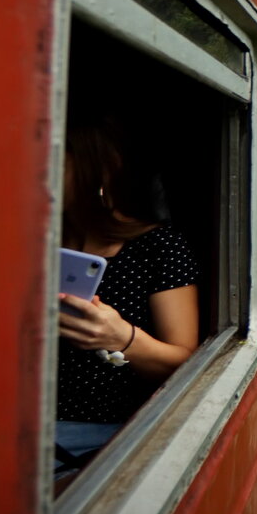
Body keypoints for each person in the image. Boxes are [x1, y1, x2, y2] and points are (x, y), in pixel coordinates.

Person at [55, 121, 200, 478]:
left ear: (98, 169)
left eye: (56, 158)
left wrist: (123, 339)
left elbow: (186, 362)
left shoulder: (159, 248)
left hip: (111, 437)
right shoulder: (33, 238)